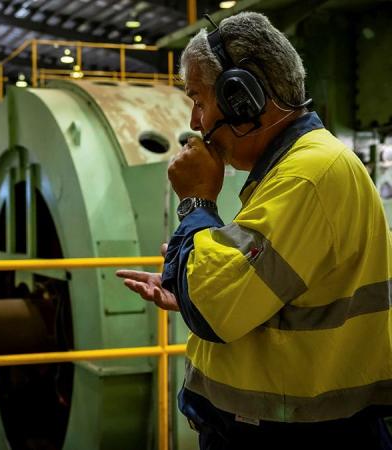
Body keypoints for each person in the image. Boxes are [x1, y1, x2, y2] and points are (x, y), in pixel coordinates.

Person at [117, 11, 392, 450]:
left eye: (199, 99)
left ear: (242, 99)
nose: (194, 121)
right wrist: (186, 290)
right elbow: (258, 295)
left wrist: (196, 201)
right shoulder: (296, 168)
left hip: (302, 434)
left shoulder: (309, 175)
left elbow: (216, 312)